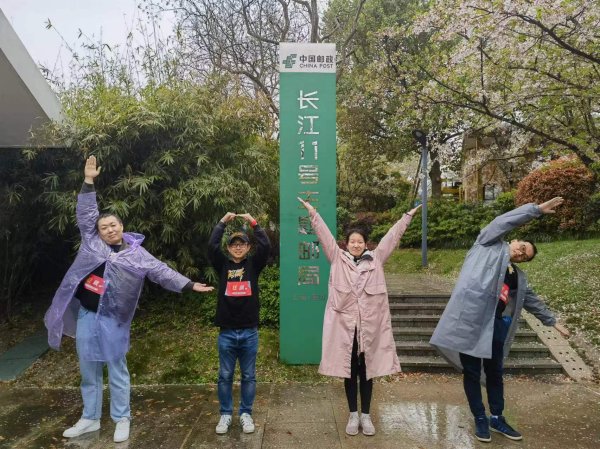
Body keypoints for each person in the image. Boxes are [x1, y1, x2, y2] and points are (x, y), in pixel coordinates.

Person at [44, 156, 214, 443]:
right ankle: (90, 418)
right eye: (104, 227)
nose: (109, 230)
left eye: (113, 225)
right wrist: (88, 181)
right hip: (87, 314)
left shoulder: (136, 254)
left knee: (117, 368)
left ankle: (121, 418)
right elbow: (86, 214)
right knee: (88, 368)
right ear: (98, 232)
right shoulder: (91, 243)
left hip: (114, 319)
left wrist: (189, 284)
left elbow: (161, 271)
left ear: (121, 226)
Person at [430, 197, 570, 443]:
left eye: (525, 256)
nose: (520, 253)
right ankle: (479, 418)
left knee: (495, 372)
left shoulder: (516, 275)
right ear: (515, 240)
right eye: (522, 247)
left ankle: (497, 417)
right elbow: (501, 222)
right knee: (472, 372)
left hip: (494, 326)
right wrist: (535, 210)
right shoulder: (487, 245)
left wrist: (552, 321)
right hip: (470, 321)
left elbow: (531, 300)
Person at [298, 197, 420, 436]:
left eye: (360, 241)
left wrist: (407, 217)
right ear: (346, 243)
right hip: (344, 328)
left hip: (369, 329)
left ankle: (366, 415)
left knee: (367, 371)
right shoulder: (337, 258)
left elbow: (392, 238)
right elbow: (324, 236)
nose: (355, 244)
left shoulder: (376, 259)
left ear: (366, 244)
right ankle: (353, 414)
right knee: (349, 370)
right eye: (352, 241)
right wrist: (313, 213)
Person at [208, 212, 271, 434]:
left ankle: (246, 414)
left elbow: (266, 246)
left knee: (249, 376)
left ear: (247, 247)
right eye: (233, 244)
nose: (237, 247)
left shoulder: (253, 265)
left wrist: (254, 223)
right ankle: (225, 414)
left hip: (249, 332)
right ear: (228, 248)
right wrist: (222, 222)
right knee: (225, 376)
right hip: (226, 332)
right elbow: (211, 246)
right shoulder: (222, 265)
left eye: (241, 244)